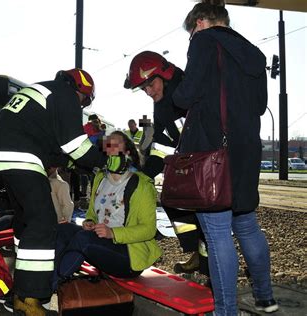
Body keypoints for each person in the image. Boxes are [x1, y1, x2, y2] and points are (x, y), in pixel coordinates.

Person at [172, 1, 277, 314]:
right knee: (246, 226)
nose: (192, 38)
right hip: (247, 151)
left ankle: (226, 310)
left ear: (201, 22)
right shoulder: (252, 53)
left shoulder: (205, 41)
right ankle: (265, 297)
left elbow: (185, 95)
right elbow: (259, 106)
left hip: (213, 153)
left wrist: (179, 91)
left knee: (217, 233)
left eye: (191, 31)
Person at [0, 68, 106, 315]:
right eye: (85, 101)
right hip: (23, 158)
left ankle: (19, 292)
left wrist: (71, 162)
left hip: (4, 157)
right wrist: (104, 161)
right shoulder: (66, 96)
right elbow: (75, 144)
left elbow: (54, 147)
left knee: (26, 225)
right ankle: (31, 298)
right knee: (43, 224)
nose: (82, 107)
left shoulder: (43, 91)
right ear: (82, 92)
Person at [124, 51, 209, 278]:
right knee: (173, 202)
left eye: (151, 85)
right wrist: (143, 172)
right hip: (189, 162)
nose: (149, 92)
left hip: (208, 163)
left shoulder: (185, 89)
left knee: (208, 216)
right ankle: (197, 254)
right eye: (144, 89)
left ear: (164, 75)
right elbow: (162, 144)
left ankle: (212, 270)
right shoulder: (161, 104)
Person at [52, 131, 162, 289]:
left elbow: (149, 230)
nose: (110, 149)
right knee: (62, 230)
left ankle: (48, 289)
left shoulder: (141, 185)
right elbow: (92, 214)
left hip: (128, 257)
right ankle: (45, 281)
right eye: (107, 145)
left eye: (116, 145)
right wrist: (89, 222)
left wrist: (113, 233)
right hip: (100, 244)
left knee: (82, 239)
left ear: (128, 152)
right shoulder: (100, 179)